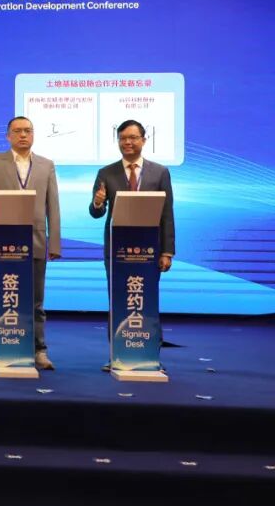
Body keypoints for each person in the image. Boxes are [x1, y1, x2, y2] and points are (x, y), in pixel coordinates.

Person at [0, 116, 61, 370]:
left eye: (27, 130)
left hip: (36, 240)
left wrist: (54, 243)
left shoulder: (46, 165)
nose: (23, 135)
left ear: (33, 135)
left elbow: (53, 205)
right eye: (17, 131)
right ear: (8, 136)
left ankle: (39, 350)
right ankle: (2, 346)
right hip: (4, 242)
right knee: (4, 296)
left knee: (36, 300)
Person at [90, 119, 175, 370]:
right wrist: (98, 202)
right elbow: (96, 213)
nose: (127, 142)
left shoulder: (160, 172)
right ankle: (117, 354)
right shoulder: (106, 173)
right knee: (118, 301)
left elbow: (167, 214)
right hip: (117, 250)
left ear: (143, 140)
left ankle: (150, 357)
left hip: (149, 250)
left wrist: (167, 251)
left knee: (147, 300)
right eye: (122, 138)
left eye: (133, 137)